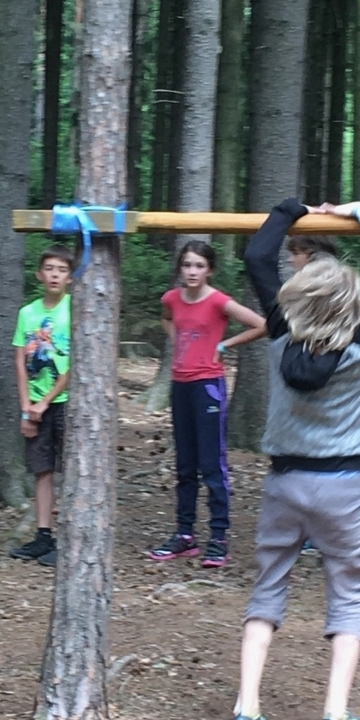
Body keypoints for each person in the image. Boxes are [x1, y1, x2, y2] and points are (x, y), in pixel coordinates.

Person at [229, 198, 360, 720]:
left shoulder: (281, 332)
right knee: (348, 593)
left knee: (268, 587)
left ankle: (247, 709)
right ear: (351, 302)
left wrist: (291, 209)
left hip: (284, 482)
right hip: (342, 487)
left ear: (297, 296)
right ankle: (334, 715)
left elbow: (257, 257)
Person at [147, 240, 266, 568]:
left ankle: (218, 538)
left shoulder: (218, 301)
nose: (192, 271)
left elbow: (261, 325)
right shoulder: (172, 298)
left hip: (208, 386)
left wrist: (223, 345)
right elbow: (167, 318)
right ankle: (184, 534)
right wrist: (178, 340)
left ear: (209, 270)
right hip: (180, 385)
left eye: (199, 266)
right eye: (187, 265)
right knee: (185, 464)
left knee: (212, 464)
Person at [9, 245, 74, 568]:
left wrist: (47, 401)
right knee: (42, 469)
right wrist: (27, 407)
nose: (54, 275)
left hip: (65, 402)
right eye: (49, 269)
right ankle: (43, 534)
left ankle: (72, 538)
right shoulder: (28, 313)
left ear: (70, 277)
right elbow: (20, 362)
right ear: (39, 274)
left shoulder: (75, 309)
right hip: (34, 404)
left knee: (71, 469)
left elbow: (76, 362)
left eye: (61, 270)